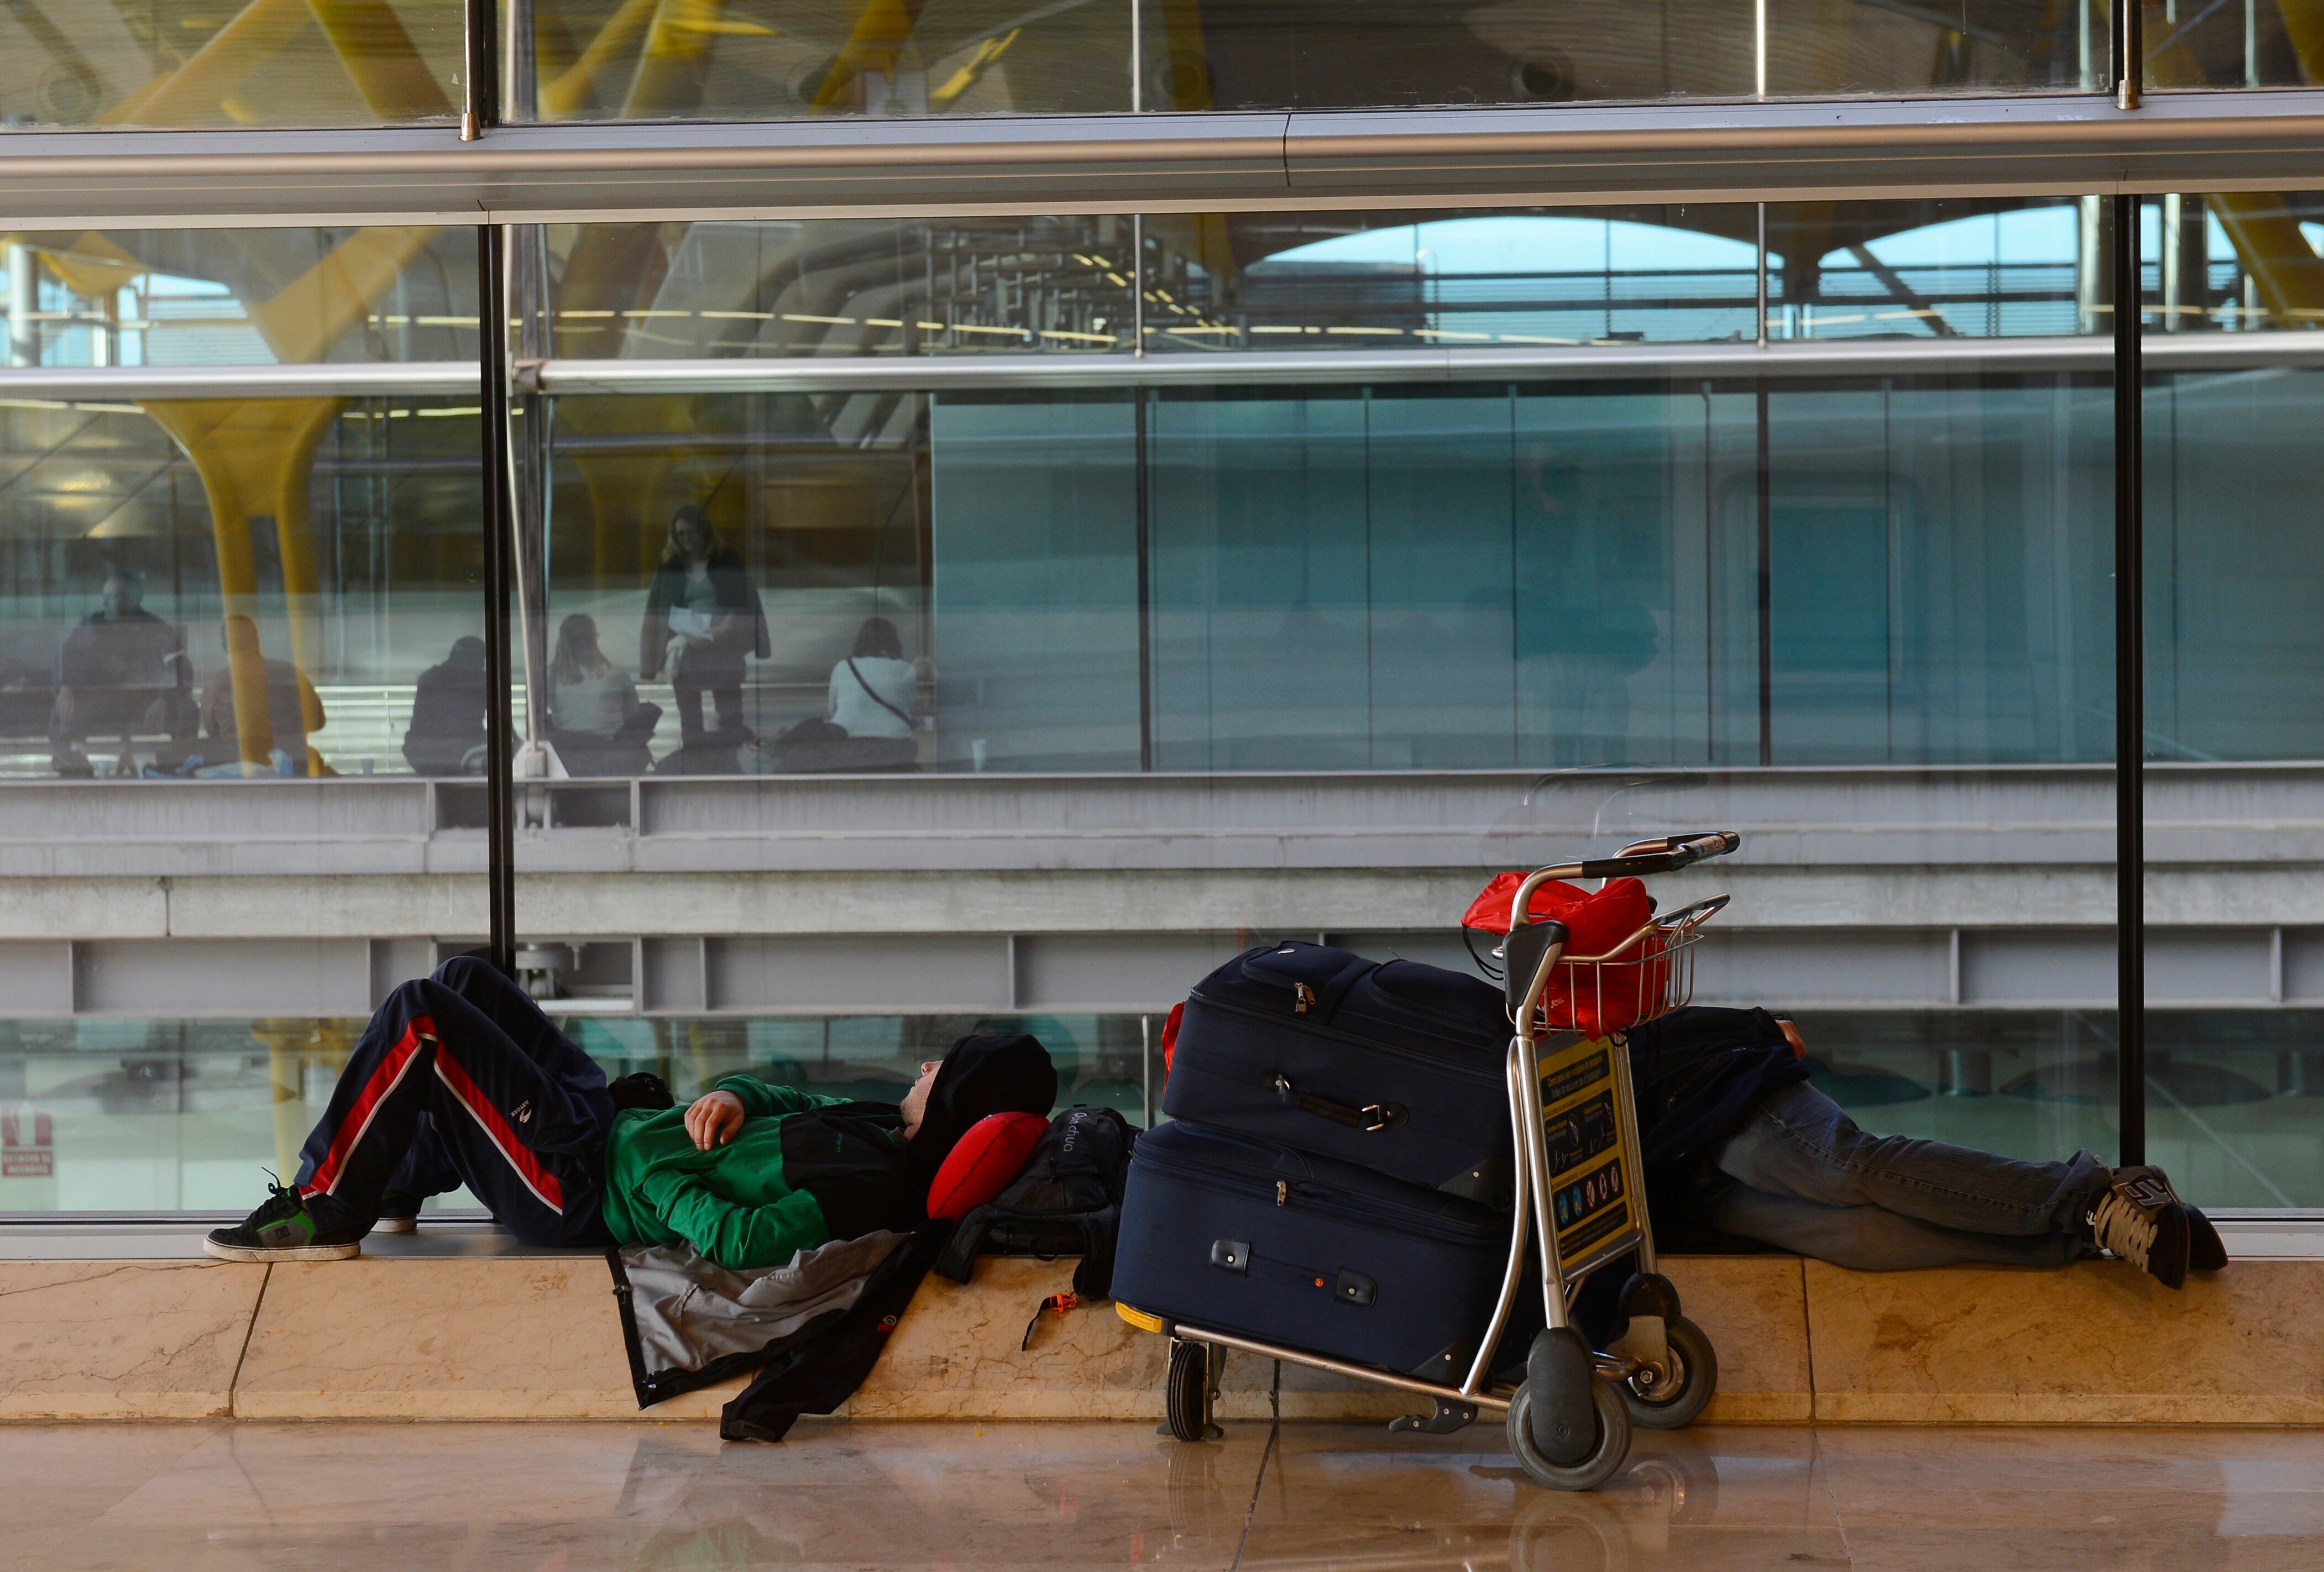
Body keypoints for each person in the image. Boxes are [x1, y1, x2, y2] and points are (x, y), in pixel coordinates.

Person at [203, 954, 1058, 1269]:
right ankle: (396, 1176)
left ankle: (329, 1205)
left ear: (950, 1100)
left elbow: (743, 1242)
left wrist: (660, 1180)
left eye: (940, 1064)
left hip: (581, 1188)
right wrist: (729, 1096)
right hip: (603, 1127)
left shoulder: (874, 1180)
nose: (922, 1061)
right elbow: (782, 1098)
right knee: (469, 980)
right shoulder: (877, 1123)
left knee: (422, 1011)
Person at [1631, 1007, 2228, 1288]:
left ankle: (2095, 1199)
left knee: (1838, 1167)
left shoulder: (1545, 993)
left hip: (1704, 1100)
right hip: (1677, 1192)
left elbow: (1627, 1022)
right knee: (1868, 1238)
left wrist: (1751, 1029)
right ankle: (2091, 1234)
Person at [639, 506, 769, 755]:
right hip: (687, 649)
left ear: (705, 533)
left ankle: (732, 766)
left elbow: (742, 602)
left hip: (724, 646)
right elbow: (656, 612)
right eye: (680, 534)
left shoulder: (725, 560)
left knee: (731, 720)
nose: (686, 539)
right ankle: (695, 767)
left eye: (691, 533)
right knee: (690, 724)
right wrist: (651, 663)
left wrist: (720, 631)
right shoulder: (671, 566)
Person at [47, 570, 193, 777]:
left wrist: (165, 698)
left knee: (188, 710)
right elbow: (66, 657)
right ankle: (75, 765)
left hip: (146, 705)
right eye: (104, 597)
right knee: (59, 711)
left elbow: (181, 669)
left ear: (135, 599)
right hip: (100, 703)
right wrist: (65, 687)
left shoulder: (156, 629)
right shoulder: (91, 626)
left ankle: (171, 767)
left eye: (113, 597)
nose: (106, 603)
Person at [198, 615, 326, 775]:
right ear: (257, 640)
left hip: (239, 773)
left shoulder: (215, 686)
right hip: (295, 770)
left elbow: (214, 735)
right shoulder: (289, 674)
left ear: (225, 646)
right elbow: (318, 721)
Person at [546, 612, 661, 776]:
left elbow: (549, 709)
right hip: (606, 750)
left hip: (566, 753)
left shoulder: (549, 676)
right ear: (594, 638)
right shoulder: (616, 672)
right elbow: (631, 711)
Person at [404, 635, 490, 776]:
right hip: (435, 757)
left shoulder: (430, 678)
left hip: (434, 757)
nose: (482, 667)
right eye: (480, 663)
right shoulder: (433, 680)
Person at [826, 616, 918, 741]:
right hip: (896, 738)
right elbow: (910, 708)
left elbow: (832, 709)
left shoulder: (843, 667)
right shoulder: (906, 669)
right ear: (894, 642)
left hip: (848, 737)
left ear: (861, 640)